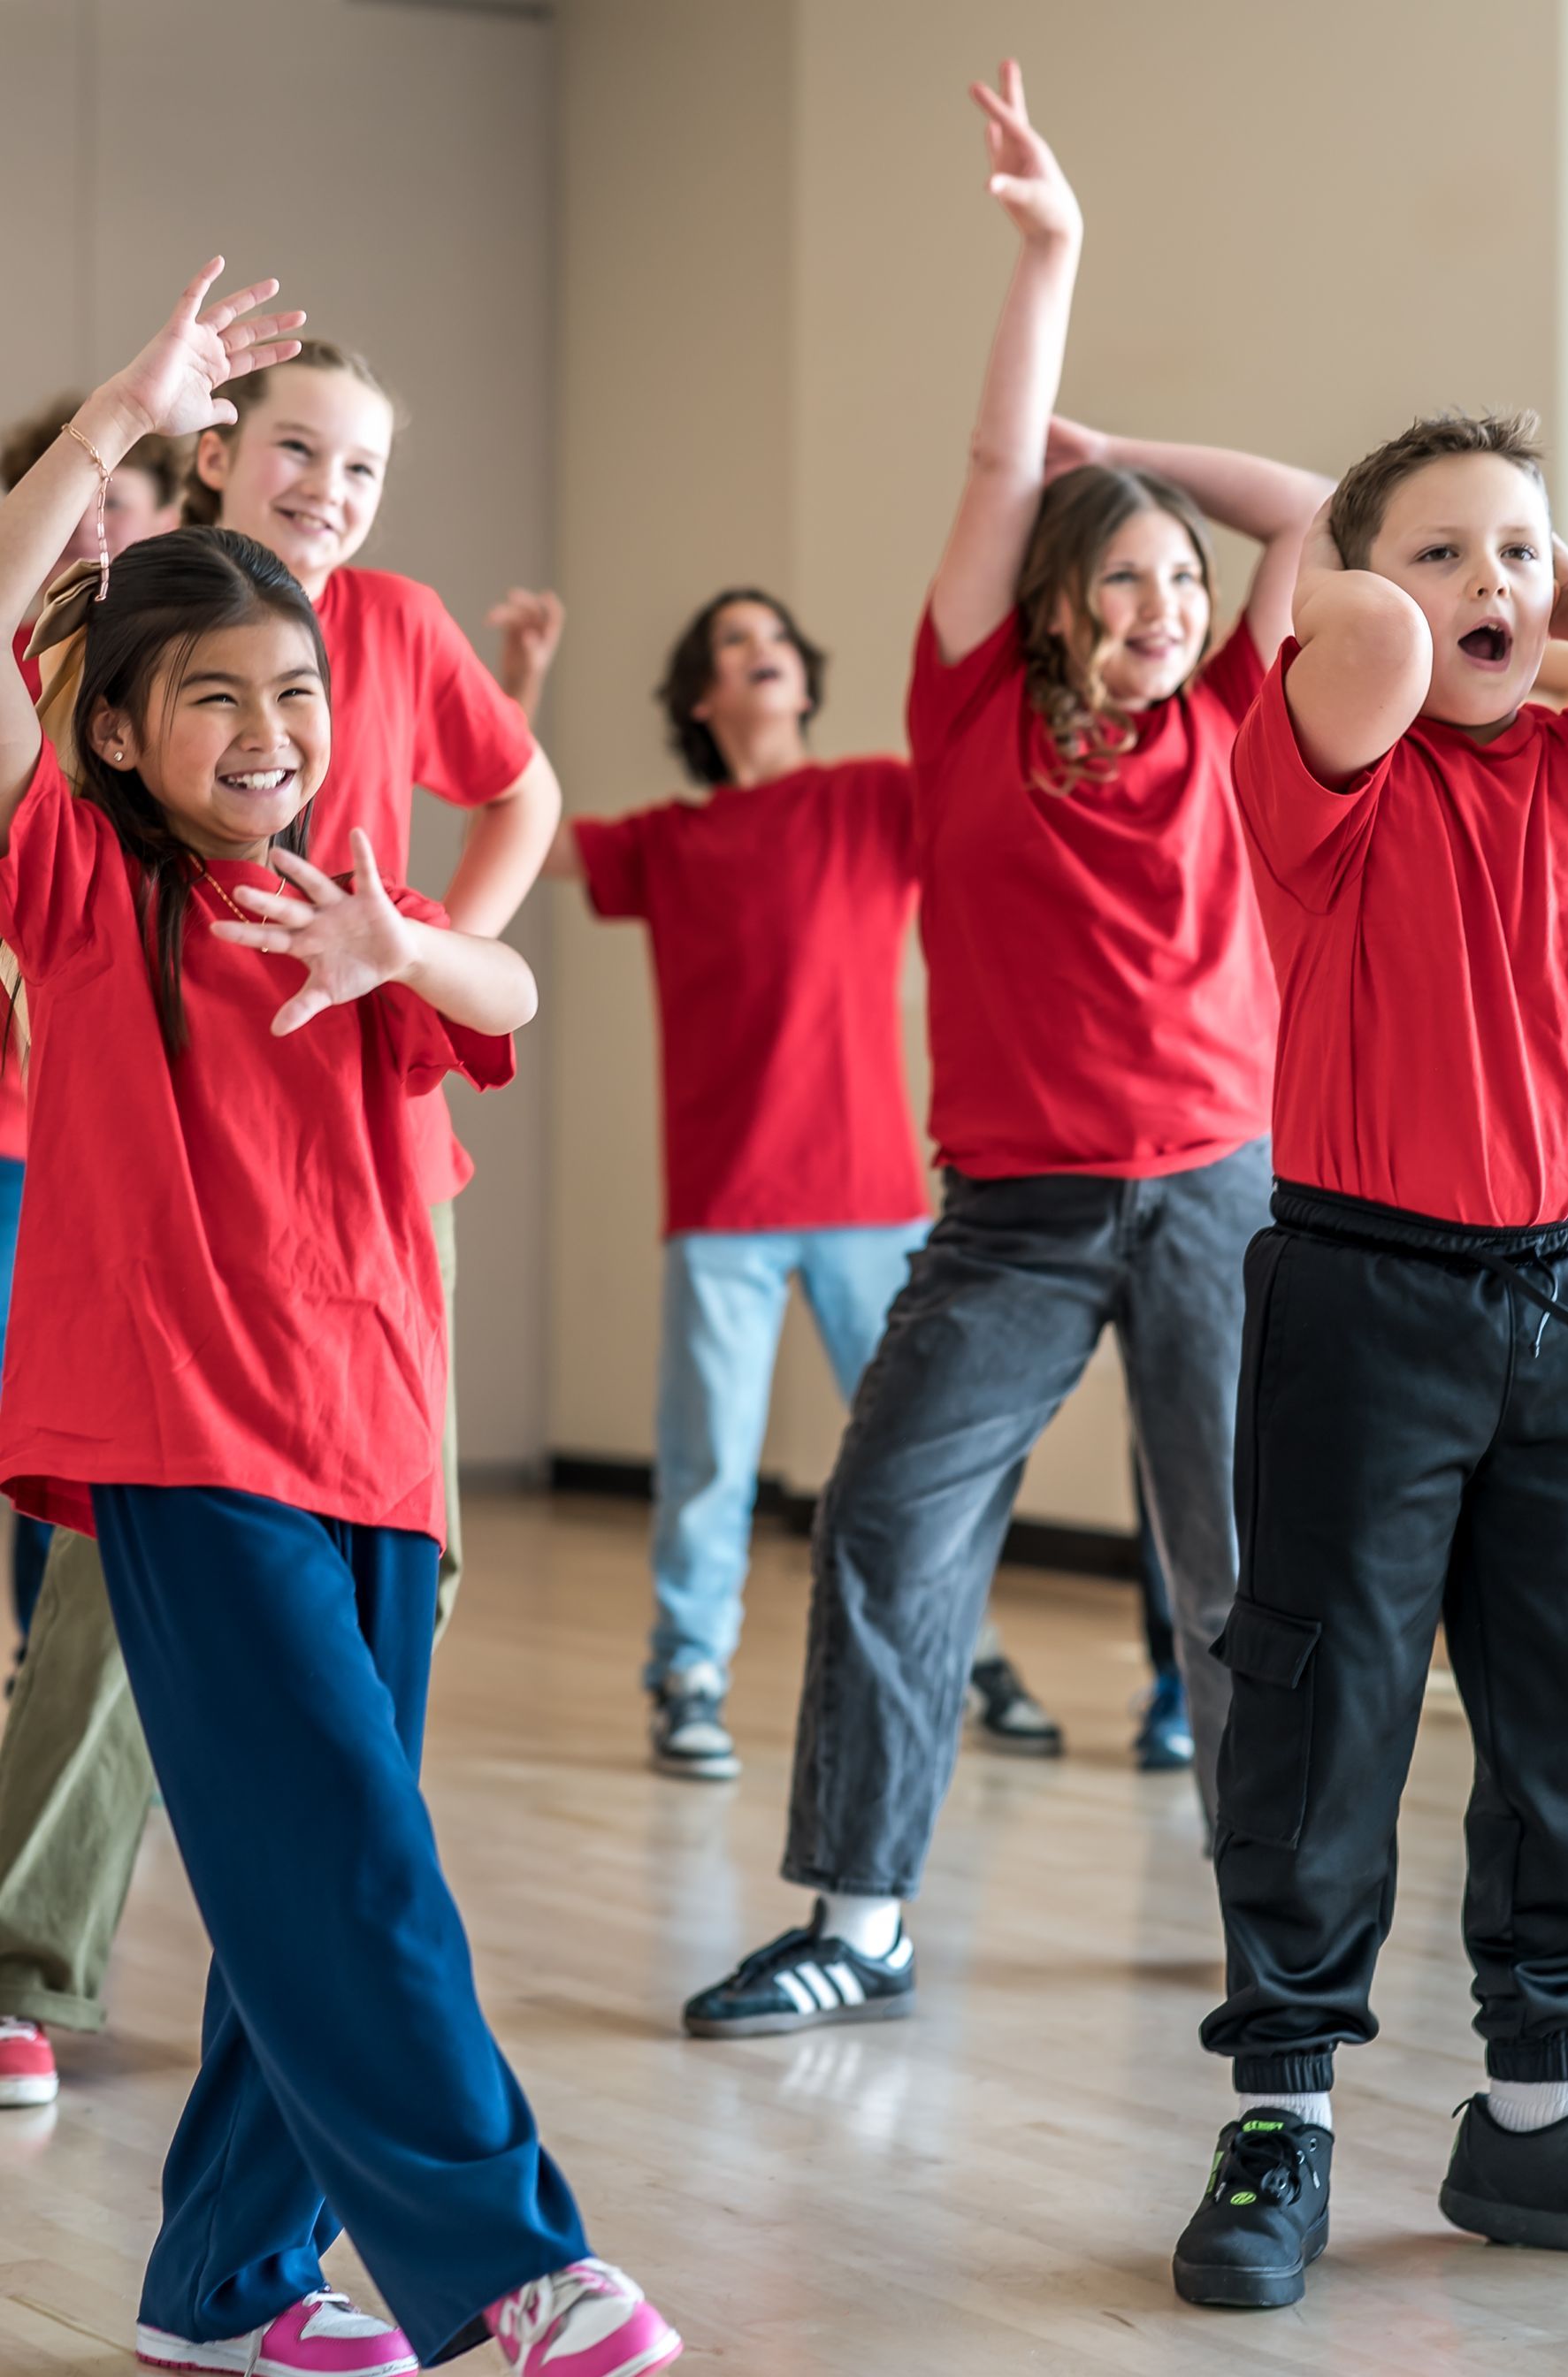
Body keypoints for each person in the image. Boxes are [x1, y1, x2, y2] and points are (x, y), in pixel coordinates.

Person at [0, 259, 680, 2377]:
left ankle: (223, 2289)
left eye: (295, 699)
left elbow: (521, 986)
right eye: (213, 698)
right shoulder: (88, 889)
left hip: (372, 1434)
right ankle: (512, 2264)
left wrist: (420, 943)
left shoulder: (356, 908)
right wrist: (115, 423)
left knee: (313, 1875)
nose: (271, 733)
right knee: (359, 1869)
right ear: (115, 728)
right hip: (189, 1446)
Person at [681, 59, 1327, 2037]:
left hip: (1222, 1186)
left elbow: (1314, 512)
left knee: (1238, 1576)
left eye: (1178, 583)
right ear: (1047, 604)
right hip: (1023, 1208)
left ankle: (1275, 1930)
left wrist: (1134, 454)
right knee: (889, 1519)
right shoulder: (965, 704)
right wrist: (1052, 254)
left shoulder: (1231, 717)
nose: (1161, 600)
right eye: (1118, 575)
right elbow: (988, 473)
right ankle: (860, 1922)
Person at [0, 336, 564, 2112]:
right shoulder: (102, 793)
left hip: (371, 1150)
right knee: (157, 1591)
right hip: (185, 1190)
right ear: (223, 458)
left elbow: (515, 891)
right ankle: (33, 1953)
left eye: (365, 466)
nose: (330, 489)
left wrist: (408, 941)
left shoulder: (392, 638)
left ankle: (292, 2037)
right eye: (298, 450)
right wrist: (111, 419)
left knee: (388, 1604)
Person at [1171, 412, 1568, 2312]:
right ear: (1352, 588)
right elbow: (1377, 647)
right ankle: (1284, 2119)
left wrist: (1541, 608)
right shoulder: (1318, 769)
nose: (1494, 584)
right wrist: (1426, 597)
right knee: (1326, 1706)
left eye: (1529, 548)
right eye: (1448, 550)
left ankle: (1546, 2110)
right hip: (1365, 1298)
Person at [550, 585, 1061, 1777]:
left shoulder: (875, 797)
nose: (762, 653)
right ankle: (687, 1675)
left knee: (924, 1451)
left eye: (777, 640)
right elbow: (517, 833)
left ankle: (971, 1648)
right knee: (712, 1461)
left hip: (870, 1192)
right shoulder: (666, 844)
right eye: (734, 642)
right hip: (724, 1204)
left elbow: (993, 778)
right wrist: (520, 680)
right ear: (701, 696)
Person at [0, 401, 183, 1659]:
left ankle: (48, 1662)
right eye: (82, 491)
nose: (102, 516)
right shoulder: (22, 676)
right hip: (22, 1104)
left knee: (60, 1412)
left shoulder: (181, 685)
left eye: (131, 489)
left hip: (97, 1113)